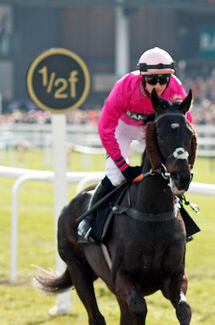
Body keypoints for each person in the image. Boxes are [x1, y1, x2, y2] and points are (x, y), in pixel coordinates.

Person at [78, 47, 191, 242]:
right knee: (115, 176)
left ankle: (181, 222)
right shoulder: (124, 87)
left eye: (163, 79)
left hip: (151, 129)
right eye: (152, 80)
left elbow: (184, 125)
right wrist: (124, 166)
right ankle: (89, 219)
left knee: (168, 172)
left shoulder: (176, 88)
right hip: (122, 128)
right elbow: (105, 129)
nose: (158, 85)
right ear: (142, 77)